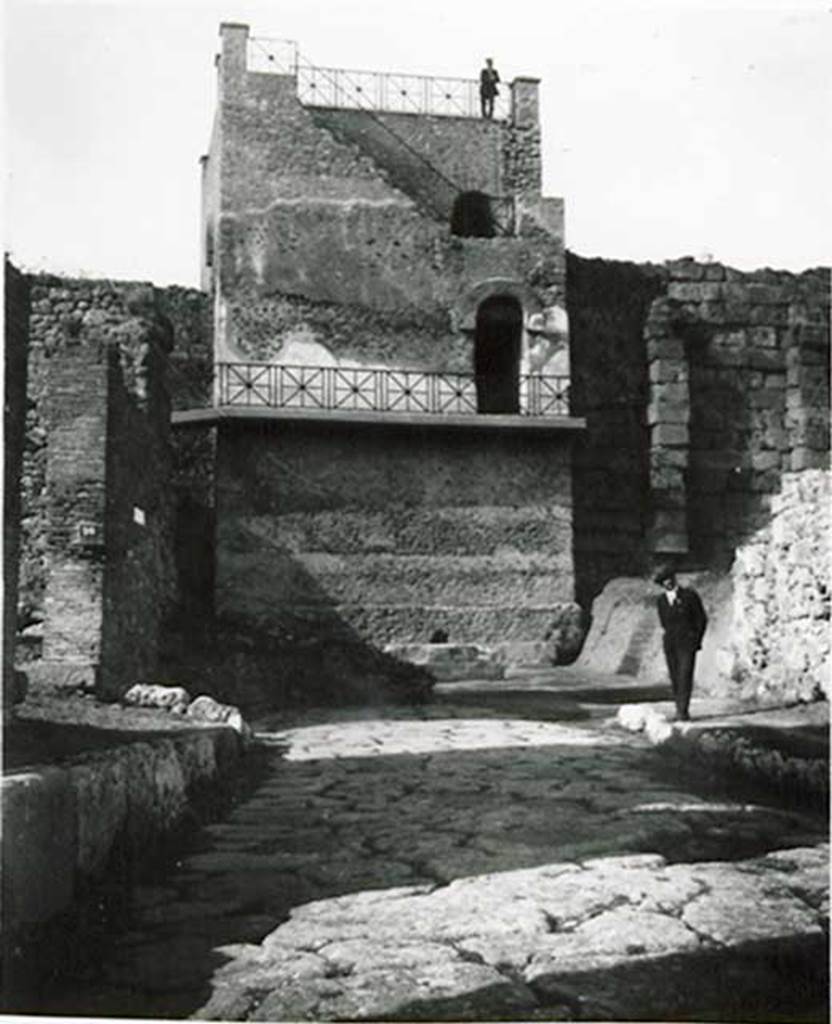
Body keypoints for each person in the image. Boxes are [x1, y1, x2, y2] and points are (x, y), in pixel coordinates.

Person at [654, 565, 707, 721]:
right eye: (664, 581)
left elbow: (701, 619)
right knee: (675, 676)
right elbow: (664, 623)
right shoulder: (661, 601)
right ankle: (678, 706)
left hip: (686, 643)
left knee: (685, 675)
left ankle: (682, 711)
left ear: (674, 579)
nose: (667, 583)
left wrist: (695, 639)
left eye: (669, 579)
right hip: (670, 643)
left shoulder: (689, 596)